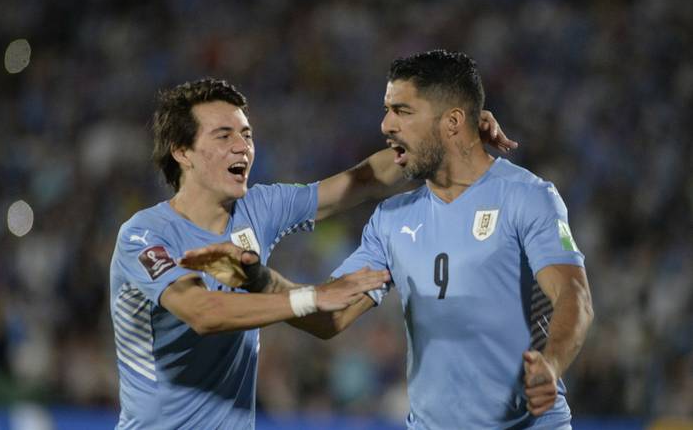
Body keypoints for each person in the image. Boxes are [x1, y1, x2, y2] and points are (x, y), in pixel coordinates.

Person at [183, 50, 593, 429]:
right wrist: (258, 280)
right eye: (386, 110)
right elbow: (332, 316)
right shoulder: (392, 220)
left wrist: (551, 365)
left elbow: (574, 297)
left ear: (452, 122)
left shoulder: (527, 196)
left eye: (401, 110)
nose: (385, 125)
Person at [109, 77, 514, 429]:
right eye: (224, 136)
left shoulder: (259, 208)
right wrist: (311, 297)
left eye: (246, 134)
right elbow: (203, 313)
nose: (243, 148)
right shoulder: (143, 236)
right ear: (183, 152)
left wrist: (445, 132)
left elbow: (364, 180)